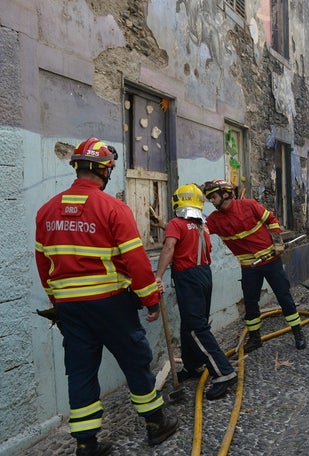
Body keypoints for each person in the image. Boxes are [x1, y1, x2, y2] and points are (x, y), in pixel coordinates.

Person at [34, 137, 178, 455]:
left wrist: (57, 302)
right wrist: (150, 300)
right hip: (111, 304)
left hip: (70, 309)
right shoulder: (113, 208)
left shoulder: (46, 211)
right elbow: (136, 262)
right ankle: (156, 425)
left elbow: (44, 264)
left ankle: (86, 445)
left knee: (81, 370)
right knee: (135, 362)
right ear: (105, 171)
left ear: (77, 167)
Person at [202, 179, 307, 352]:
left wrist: (277, 242)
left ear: (225, 194)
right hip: (249, 267)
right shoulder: (214, 220)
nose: (211, 201)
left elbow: (272, 220)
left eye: (213, 197)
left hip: (271, 261)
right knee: (250, 303)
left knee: (284, 296)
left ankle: (298, 333)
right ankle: (255, 338)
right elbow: (197, 232)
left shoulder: (249, 205)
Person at [154, 184, 237, 400]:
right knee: (189, 325)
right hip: (204, 274)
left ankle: (224, 373)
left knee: (196, 328)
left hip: (188, 277)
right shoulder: (202, 225)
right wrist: (164, 226)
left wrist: (158, 275)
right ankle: (193, 366)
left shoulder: (177, 223)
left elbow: (170, 247)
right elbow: (184, 236)